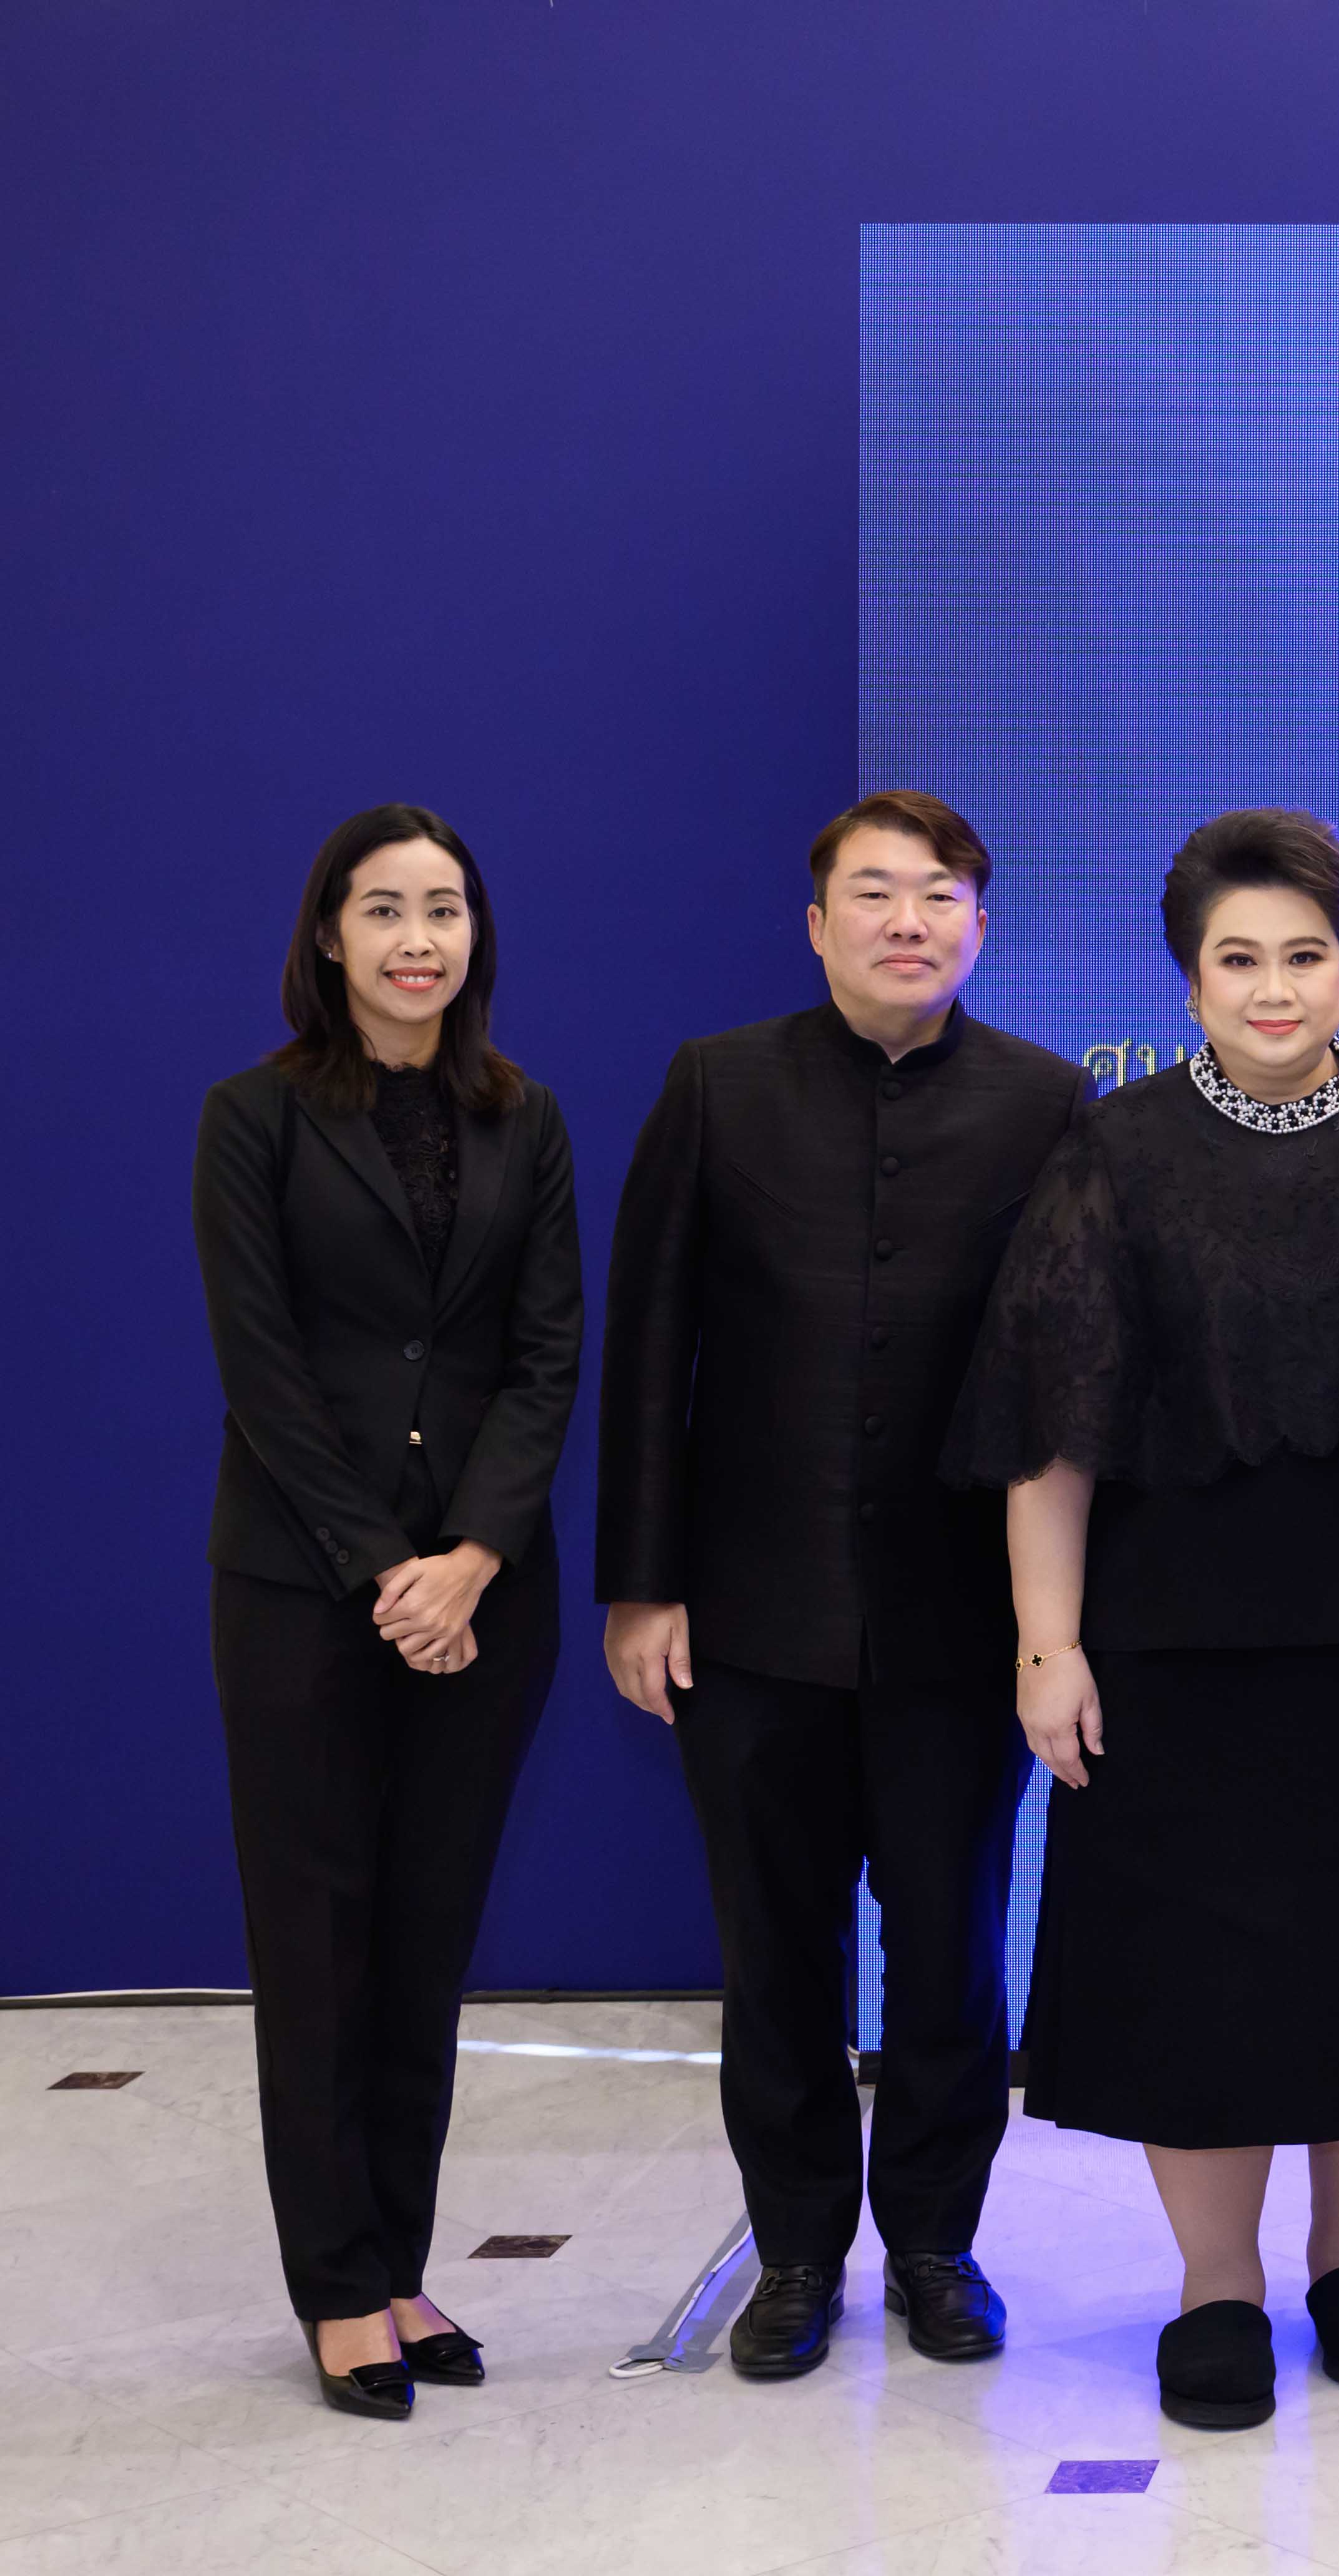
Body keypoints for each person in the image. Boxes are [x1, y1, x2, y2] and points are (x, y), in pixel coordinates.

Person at [952, 807, 1339, 2429]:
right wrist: (1045, 1644)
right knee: (1195, 1982)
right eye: (1241, 960)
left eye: (1305, 956)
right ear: (1191, 979)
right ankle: (1216, 2284)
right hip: (1178, 1644)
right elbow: (1050, 1427)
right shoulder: (1119, 1149)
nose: (1275, 988)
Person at [594, 790, 1085, 2381]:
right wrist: (641, 1584)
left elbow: (1069, 1377)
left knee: (951, 1954)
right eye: (872, 893)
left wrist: (1060, 1627)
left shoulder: (1047, 1104)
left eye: (938, 894)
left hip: (960, 1625)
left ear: (979, 928)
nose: (905, 921)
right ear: (817, 927)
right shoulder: (719, 1085)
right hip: (750, 1618)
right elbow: (650, 1343)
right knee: (777, 1957)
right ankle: (798, 2252)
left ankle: (937, 2243)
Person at [192, 804, 582, 2419]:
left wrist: (473, 1555)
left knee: (425, 1947)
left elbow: (548, 1355)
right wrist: (383, 1569)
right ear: (329, 937)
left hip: (485, 1601)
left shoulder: (524, 1116)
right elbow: (263, 1370)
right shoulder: (254, 1117)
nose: (419, 939)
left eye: (445, 909)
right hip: (304, 1592)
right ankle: (337, 2287)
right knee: (318, 1945)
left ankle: (400, 2262)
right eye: (385, 910)